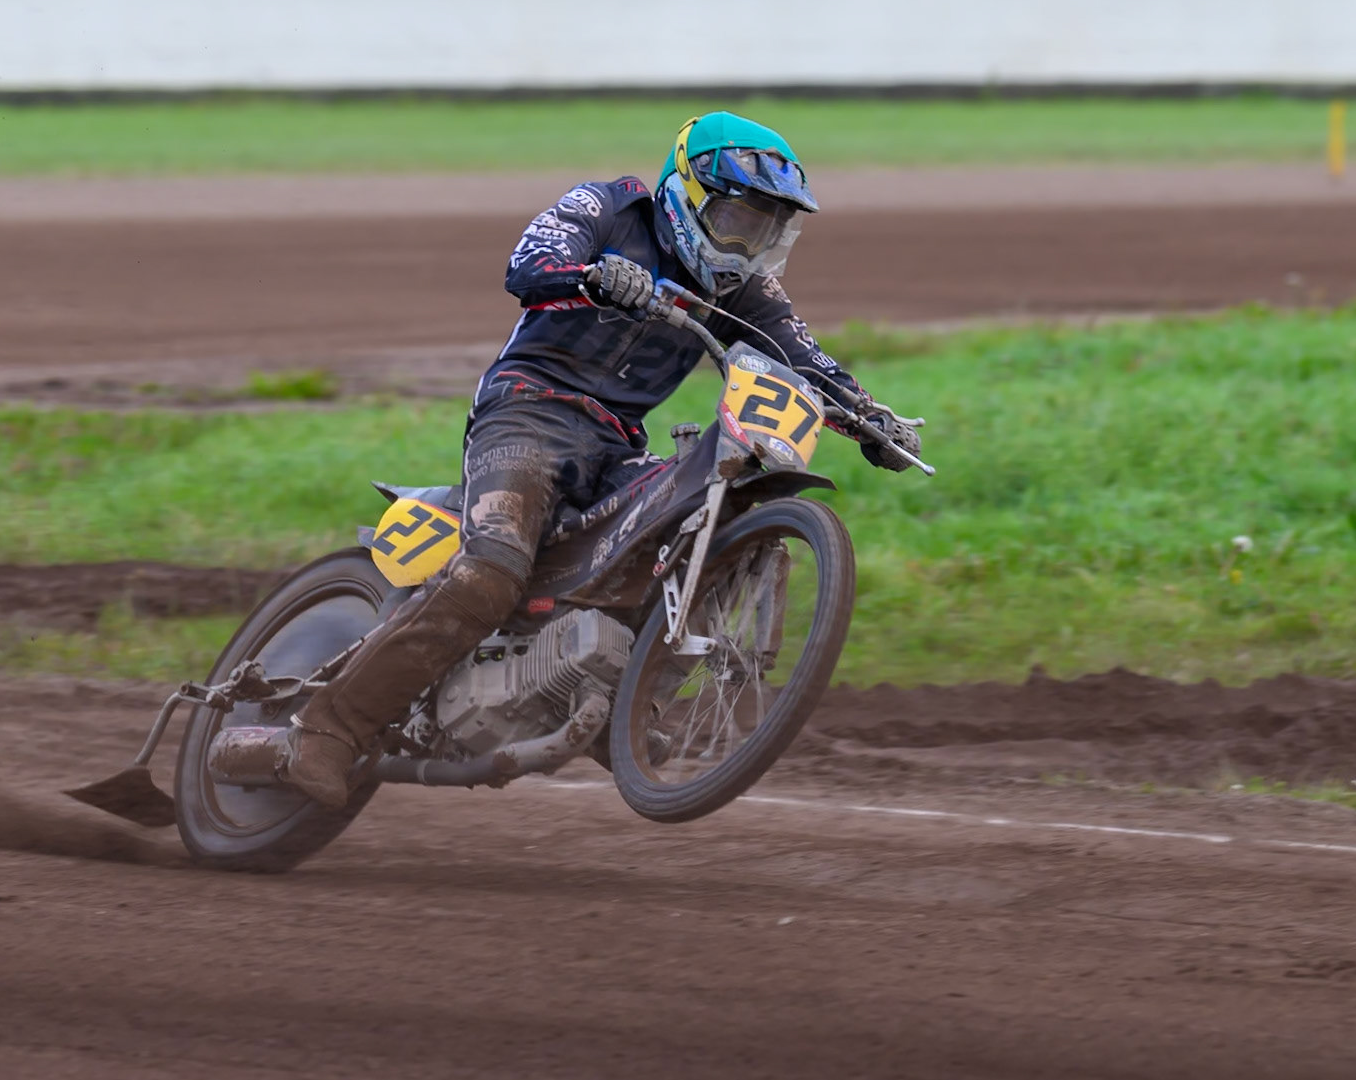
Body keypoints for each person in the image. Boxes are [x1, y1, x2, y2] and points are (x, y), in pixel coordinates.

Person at [282, 111, 921, 808]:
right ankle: (330, 725)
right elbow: (528, 261)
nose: (749, 240)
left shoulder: (745, 292)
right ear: (689, 195)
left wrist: (870, 418)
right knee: (493, 568)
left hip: (615, 445)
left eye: (767, 226)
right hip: (525, 414)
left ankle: (610, 702)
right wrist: (590, 275)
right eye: (739, 217)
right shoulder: (609, 207)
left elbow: (807, 358)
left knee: (669, 537)